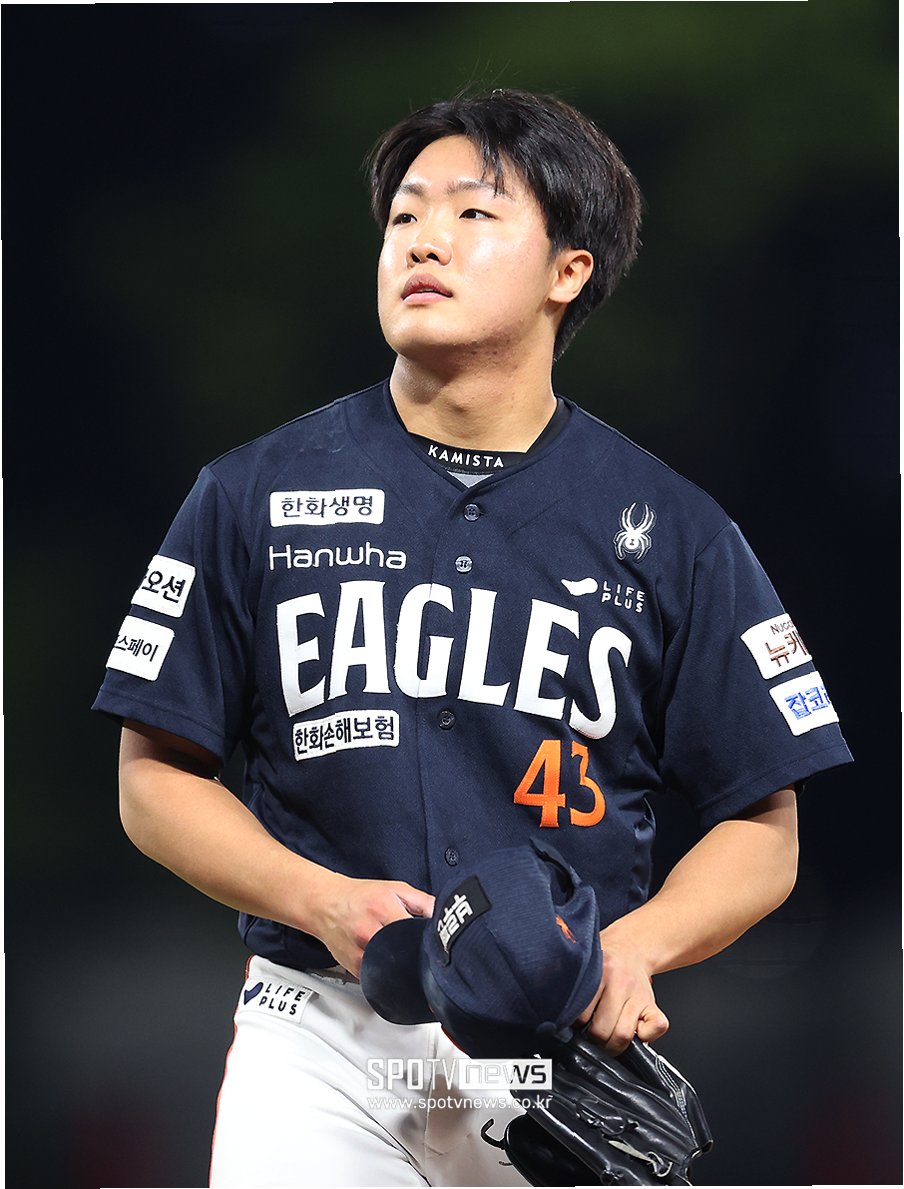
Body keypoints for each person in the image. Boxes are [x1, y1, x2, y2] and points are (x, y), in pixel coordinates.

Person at [93, 89, 852, 1188]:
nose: (424, 239)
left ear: (567, 271)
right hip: (321, 1034)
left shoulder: (672, 530)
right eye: (404, 215)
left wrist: (634, 948)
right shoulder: (252, 493)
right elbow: (153, 777)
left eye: (473, 212)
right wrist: (322, 900)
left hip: (558, 1049)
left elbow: (764, 826)